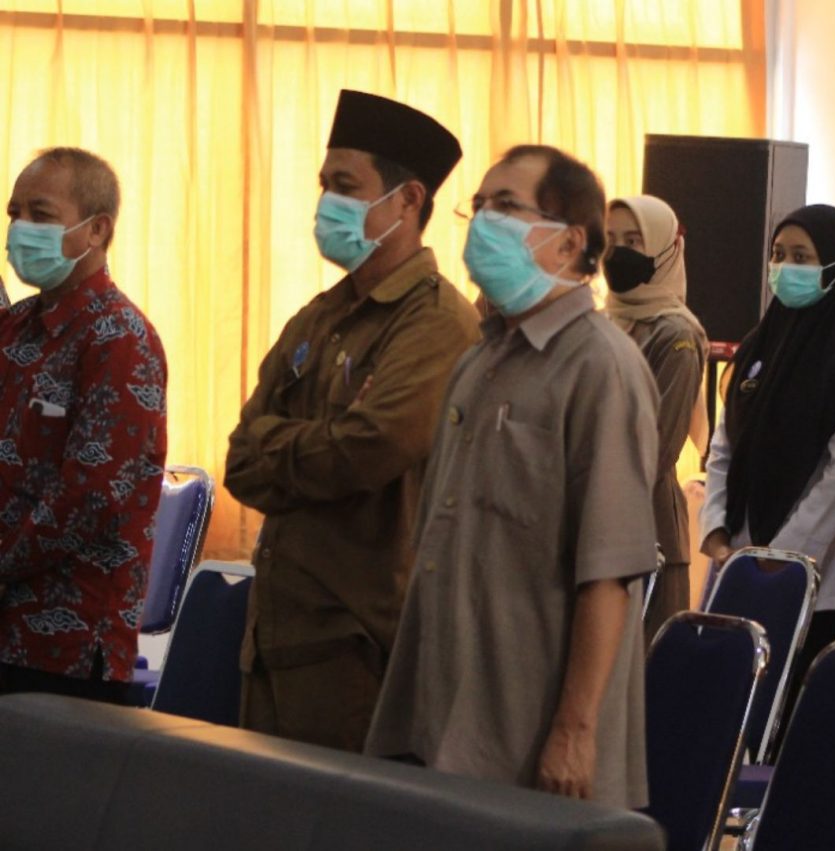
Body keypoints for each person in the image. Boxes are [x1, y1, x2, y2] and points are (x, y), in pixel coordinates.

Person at [367, 145, 657, 809]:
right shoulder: (481, 359)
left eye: (507, 206)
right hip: (445, 710)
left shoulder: (600, 366)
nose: (483, 222)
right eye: (481, 205)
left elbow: (608, 572)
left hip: (533, 730)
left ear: (568, 243)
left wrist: (575, 728)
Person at [225, 91, 480, 751]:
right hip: (276, 635)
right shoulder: (320, 315)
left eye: (346, 186)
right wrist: (307, 446)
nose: (326, 203)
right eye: (323, 185)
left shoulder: (436, 322)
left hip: (359, 645)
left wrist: (282, 444)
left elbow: (368, 449)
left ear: (408, 200)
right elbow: (239, 456)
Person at [701, 203, 835, 698]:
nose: (787, 268)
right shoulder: (759, 345)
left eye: (803, 257)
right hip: (738, 556)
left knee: (785, 710)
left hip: (817, 574)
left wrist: (777, 559)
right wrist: (718, 532)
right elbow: (725, 444)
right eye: (779, 254)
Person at [0, 147, 166, 704]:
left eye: (41, 215)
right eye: (14, 212)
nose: (21, 228)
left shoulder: (119, 339)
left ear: (96, 229)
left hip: (66, 648)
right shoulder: (16, 327)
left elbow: (92, 496)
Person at [602, 195, 708, 639]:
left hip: (648, 538)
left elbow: (656, 449)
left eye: (633, 241)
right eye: (610, 240)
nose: (618, 253)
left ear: (665, 251)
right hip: (602, 528)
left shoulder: (676, 334)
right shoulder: (606, 320)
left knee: (639, 688)